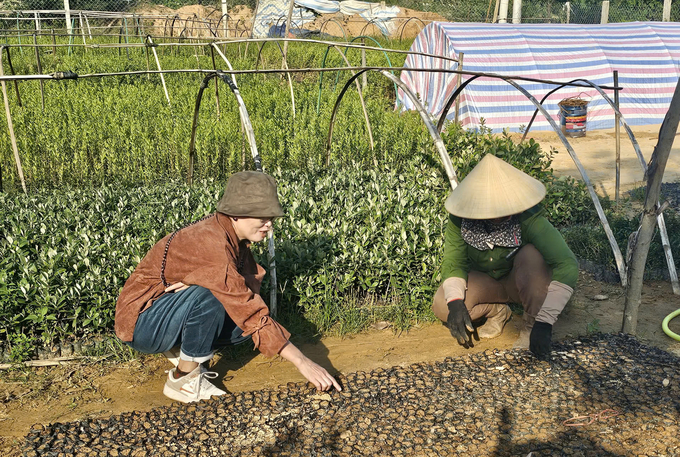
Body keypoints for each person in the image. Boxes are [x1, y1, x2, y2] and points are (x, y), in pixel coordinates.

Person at [115, 171, 341, 403]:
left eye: (272, 217)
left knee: (241, 328)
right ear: (234, 215)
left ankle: (180, 347)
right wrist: (303, 362)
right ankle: (182, 379)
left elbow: (246, 298)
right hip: (142, 322)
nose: (269, 224)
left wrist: (195, 277)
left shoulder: (228, 234)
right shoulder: (213, 242)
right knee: (214, 294)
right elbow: (246, 307)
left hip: (163, 312)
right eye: (262, 217)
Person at [432, 154, 579, 360]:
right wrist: (455, 302)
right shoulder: (460, 219)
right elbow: (453, 262)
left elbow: (567, 264)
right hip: (485, 283)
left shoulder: (529, 218)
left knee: (532, 256)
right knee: (442, 305)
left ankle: (531, 325)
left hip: (520, 281)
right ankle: (497, 311)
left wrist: (544, 322)